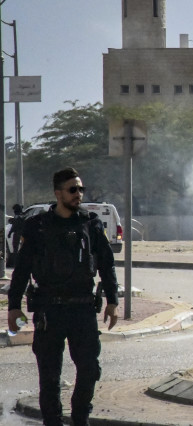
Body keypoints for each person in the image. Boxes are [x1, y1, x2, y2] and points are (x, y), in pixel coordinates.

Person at [6, 168, 120, 426]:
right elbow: (22, 269)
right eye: (72, 189)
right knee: (49, 377)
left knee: (89, 370)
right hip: (49, 311)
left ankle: (80, 419)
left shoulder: (91, 224)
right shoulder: (37, 227)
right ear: (58, 193)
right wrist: (13, 307)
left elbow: (107, 264)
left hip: (83, 309)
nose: (78, 194)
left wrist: (112, 301)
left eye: (81, 189)